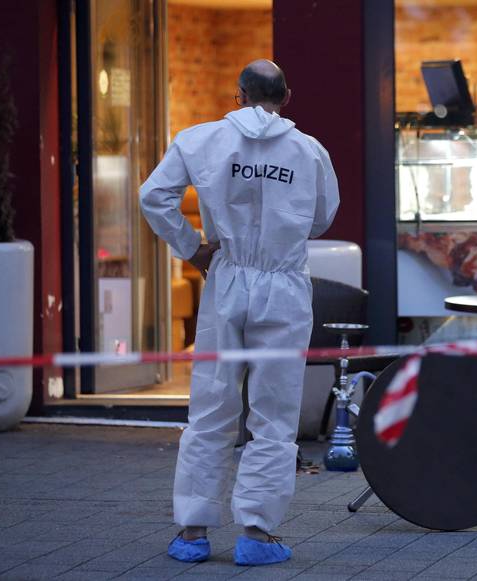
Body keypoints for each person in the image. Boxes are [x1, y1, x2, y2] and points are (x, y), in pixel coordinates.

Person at [139, 59, 339, 566]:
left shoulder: (199, 140)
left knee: (210, 406)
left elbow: (153, 196)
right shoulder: (309, 150)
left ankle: (192, 532)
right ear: (286, 96)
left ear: (238, 95)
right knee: (273, 415)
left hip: (226, 277)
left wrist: (192, 248)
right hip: (284, 283)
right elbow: (320, 218)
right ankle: (257, 533)